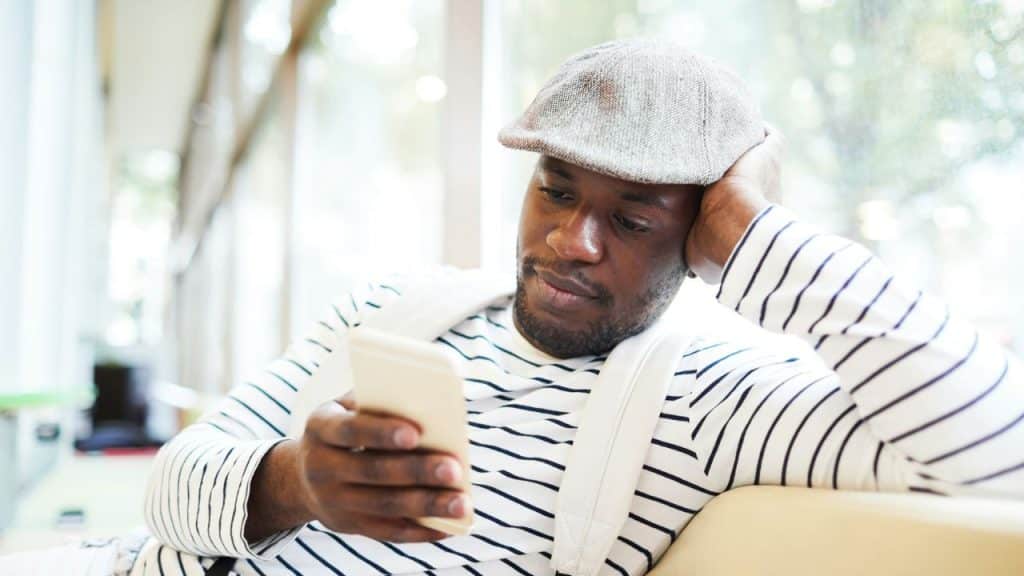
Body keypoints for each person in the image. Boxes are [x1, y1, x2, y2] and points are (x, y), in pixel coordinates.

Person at [81, 39, 1024, 575]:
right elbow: (173, 486)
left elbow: (1001, 448)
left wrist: (756, 233)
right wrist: (294, 483)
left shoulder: (709, 401)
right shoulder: (402, 308)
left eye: (634, 216)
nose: (574, 240)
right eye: (558, 188)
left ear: (700, 236)